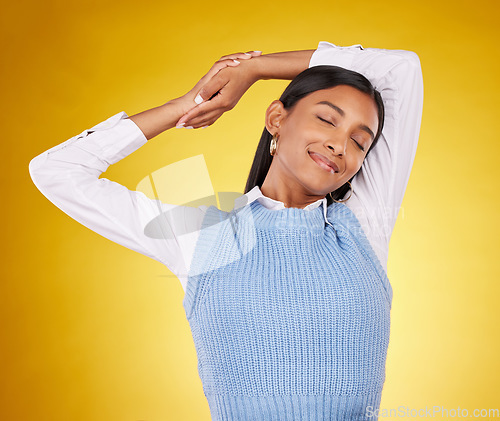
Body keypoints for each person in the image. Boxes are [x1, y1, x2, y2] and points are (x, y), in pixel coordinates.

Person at [28, 41, 424, 420]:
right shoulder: (203, 238)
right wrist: (184, 106)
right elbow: (57, 171)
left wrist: (255, 68)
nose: (340, 144)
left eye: (359, 141)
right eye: (326, 119)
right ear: (276, 119)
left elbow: (399, 69)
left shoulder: (361, 226)